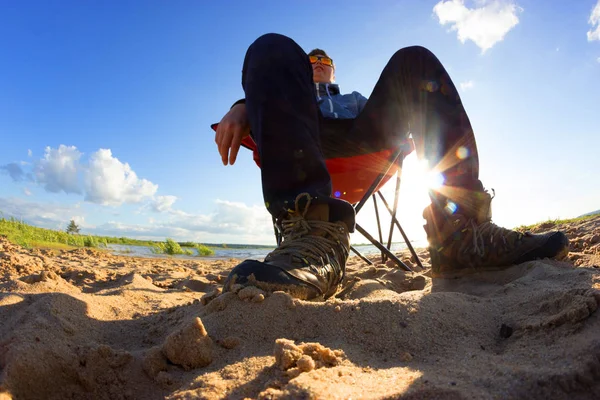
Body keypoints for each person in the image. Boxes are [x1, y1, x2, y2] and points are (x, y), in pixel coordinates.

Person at [214, 33, 569, 300]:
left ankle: (461, 233)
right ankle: (314, 238)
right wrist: (243, 104)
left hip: (363, 140)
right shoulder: (291, 90)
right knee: (270, 46)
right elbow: (274, 98)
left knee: (414, 60)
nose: (319, 60)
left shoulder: (353, 99)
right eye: (313, 59)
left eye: (325, 59)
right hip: (305, 143)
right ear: (304, 70)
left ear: (333, 69)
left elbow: (393, 116)